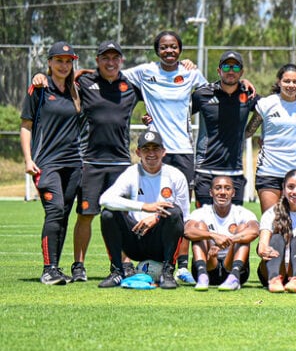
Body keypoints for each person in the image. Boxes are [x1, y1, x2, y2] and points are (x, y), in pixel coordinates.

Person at [122, 31, 207, 284]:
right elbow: (112, 75)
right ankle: (130, 261)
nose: (169, 51)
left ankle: (180, 265)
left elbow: (212, 93)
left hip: (182, 150)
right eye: (163, 47)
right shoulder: (145, 72)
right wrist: (81, 74)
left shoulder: (192, 74)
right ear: (156, 50)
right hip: (154, 149)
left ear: (180, 49)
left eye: (173, 47)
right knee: (144, 204)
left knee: (179, 210)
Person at [66, 41, 141, 283]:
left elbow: (161, 88)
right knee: (86, 215)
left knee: (120, 217)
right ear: (97, 60)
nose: (110, 62)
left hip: (120, 163)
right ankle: (78, 265)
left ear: (121, 61)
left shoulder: (131, 87)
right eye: (105, 58)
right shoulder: (85, 83)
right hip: (91, 161)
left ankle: (123, 264)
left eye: (115, 58)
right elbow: (61, 78)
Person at [21, 41, 83, 285]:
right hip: (46, 163)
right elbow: (26, 126)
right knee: (55, 210)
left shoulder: (76, 90)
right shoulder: (39, 89)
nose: (64, 65)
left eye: (68, 61)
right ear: (49, 63)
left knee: (64, 214)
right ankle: (48, 269)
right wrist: (28, 159)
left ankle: (56, 269)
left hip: (73, 163)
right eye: (59, 60)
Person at [96, 129, 189, 289]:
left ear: (163, 151)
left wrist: (157, 217)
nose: (151, 153)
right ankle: (117, 271)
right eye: (146, 149)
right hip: (135, 239)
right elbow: (104, 199)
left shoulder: (176, 176)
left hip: (160, 243)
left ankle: (167, 272)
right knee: (108, 214)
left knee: (174, 212)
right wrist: (145, 207)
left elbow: (184, 218)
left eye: (155, 149)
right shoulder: (131, 173)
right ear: (138, 152)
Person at [192, 51, 260, 207]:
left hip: (234, 172)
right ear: (219, 70)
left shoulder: (248, 94)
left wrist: (249, 131)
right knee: (203, 224)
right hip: (205, 171)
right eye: (227, 67)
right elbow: (179, 114)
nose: (231, 71)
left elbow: (268, 108)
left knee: (234, 226)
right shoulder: (203, 94)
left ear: (241, 72)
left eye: (236, 68)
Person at [246, 64, 296, 213]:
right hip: (268, 171)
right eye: (287, 81)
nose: (291, 85)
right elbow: (249, 131)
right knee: (271, 222)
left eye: (295, 82)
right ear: (279, 82)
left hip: (295, 173)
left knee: (292, 223)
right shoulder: (266, 104)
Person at [183, 175, 259, 291]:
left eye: (227, 188)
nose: (222, 192)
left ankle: (234, 277)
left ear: (233, 193)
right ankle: (202, 276)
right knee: (200, 227)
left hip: (232, 266)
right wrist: (213, 236)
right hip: (208, 265)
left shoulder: (242, 213)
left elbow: (254, 231)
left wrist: (230, 240)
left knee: (243, 228)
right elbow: (187, 231)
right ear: (211, 192)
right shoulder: (201, 212)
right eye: (218, 188)